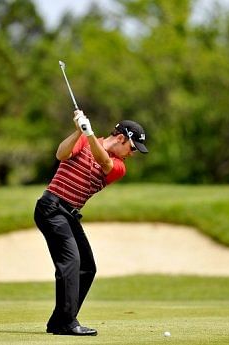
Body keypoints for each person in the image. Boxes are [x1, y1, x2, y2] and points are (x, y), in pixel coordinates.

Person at [34, 110, 148, 336]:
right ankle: (67, 322)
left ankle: (59, 321)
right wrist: (78, 132)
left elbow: (103, 160)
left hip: (69, 214)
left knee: (87, 266)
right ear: (121, 138)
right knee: (71, 262)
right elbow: (61, 154)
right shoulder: (83, 140)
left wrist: (89, 133)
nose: (132, 154)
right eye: (132, 148)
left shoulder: (118, 166)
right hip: (51, 207)